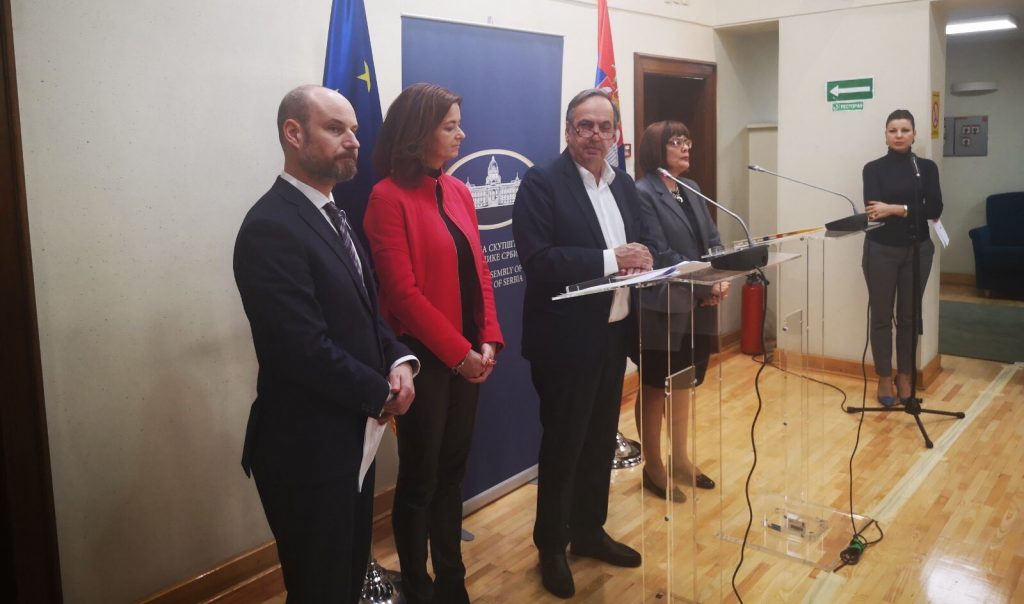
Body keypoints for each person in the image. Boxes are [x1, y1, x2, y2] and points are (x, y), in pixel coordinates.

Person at [233, 85, 418, 603]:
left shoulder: (331, 213)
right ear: (293, 134)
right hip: (307, 450)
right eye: (336, 129)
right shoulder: (271, 226)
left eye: (354, 129)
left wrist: (399, 359)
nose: (354, 140)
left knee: (347, 576)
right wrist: (380, 392)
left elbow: (362, 312)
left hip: (352, 434)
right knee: (321, 589)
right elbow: (302, 348)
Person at [513, 88, 658, 599]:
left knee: (599, 440)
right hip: (564, 343)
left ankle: (589, 531)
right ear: (568, 130)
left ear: (616, 133)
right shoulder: (541, 183)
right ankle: (551, 546)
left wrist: (646, 258)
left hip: (614, 332)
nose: (595, 135)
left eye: (604, 126)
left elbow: (643, 241)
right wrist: (614, 259)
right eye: (585, 125)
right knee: (564, 446)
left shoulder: (622, 185)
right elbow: (538, 260)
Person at [364, 83, 504, 604]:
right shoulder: (386, 197)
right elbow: (402, 295)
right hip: (425, 359)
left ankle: (452, 579)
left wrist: (488, 338)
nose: (461, 134)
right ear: (418, 132)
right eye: (450, 126)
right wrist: (458, 354)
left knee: (452, 473)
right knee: (420, 479)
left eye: (458, 124)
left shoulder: (459, 190)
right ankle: (419, 586)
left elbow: (480, 271)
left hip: (468, 356)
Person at [632, 121, 727, 502]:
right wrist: (707, 282)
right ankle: (653, 466)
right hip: (662, 305)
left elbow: (713, 239)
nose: (686, 147)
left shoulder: (692, 188)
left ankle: (681, 459)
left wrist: (720, 276)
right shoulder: (643, 192)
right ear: (657, 149)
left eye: (687, 140)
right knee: (656, 384)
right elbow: (659, 253)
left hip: (697, 303)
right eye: (676, 142)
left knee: (684, 380)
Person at [862, 109, 943, 405]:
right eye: (893, 130)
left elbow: (935, 209)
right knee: (882, 316)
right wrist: (911, 207)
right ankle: (885, 376)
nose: (899, 135)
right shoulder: (873, 169)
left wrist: (896, 209)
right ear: (885, 135)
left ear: (914, 135)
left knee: (909, 317)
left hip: (918, 250)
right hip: (881, 250)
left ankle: (905, 376)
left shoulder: (926, 168)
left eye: (905, 130)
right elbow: (874, 210)